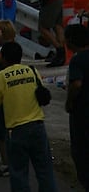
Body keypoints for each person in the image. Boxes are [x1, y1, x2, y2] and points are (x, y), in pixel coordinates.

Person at [0, 40, 58, 191]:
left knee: (19, 173)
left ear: (4, 58)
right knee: (45, 170)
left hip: (16, 129)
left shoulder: (1, 76)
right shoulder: (32, 71)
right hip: (37, 125)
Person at [64, 22, 89, 190]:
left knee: (82, 152)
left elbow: (77, 84)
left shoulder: (78, 60)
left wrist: (69, 101)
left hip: (83, 113)